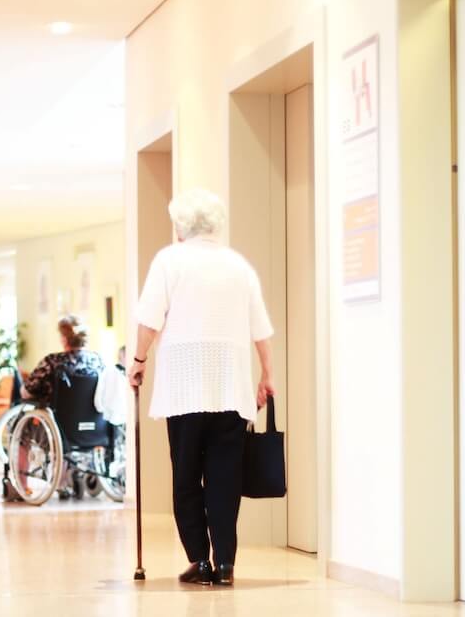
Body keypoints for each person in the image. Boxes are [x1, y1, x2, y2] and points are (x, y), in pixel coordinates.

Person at [127, 188, 275, 588]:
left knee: (187, 476)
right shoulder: (237, 265)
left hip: (184, 391)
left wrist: (138, 362)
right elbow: (260, 327)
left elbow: (148, 321)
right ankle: (225, 561)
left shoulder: (169, 261)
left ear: (180, 226)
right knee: (226, 478)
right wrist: (268, 375)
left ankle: (200, 561)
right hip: (230, 389)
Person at [22, 315, 104, 403]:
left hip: (58, 415)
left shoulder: (52, 361)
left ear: (64, 339)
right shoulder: (97, 360)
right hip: (91, 415)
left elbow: (26, 392)